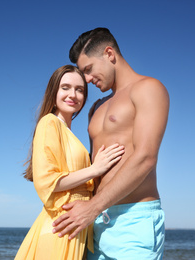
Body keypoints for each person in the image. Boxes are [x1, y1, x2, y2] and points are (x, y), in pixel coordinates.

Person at [52, 28, 170, 259]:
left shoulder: (148, 88)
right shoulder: (96, 108)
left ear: (109, 54)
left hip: (133, 220)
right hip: (94, 222)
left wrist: (92, 208)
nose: (86, 79)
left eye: (88, 69)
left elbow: (145, 157)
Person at [15, 65, 125, 260]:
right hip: (60, 228)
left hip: (74, 227)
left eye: (80, 89)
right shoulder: (50, 123)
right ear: (54, 91)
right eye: (65, 87)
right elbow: (48, 182)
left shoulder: (68, 132)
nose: (73, 94)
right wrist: (95, 169)